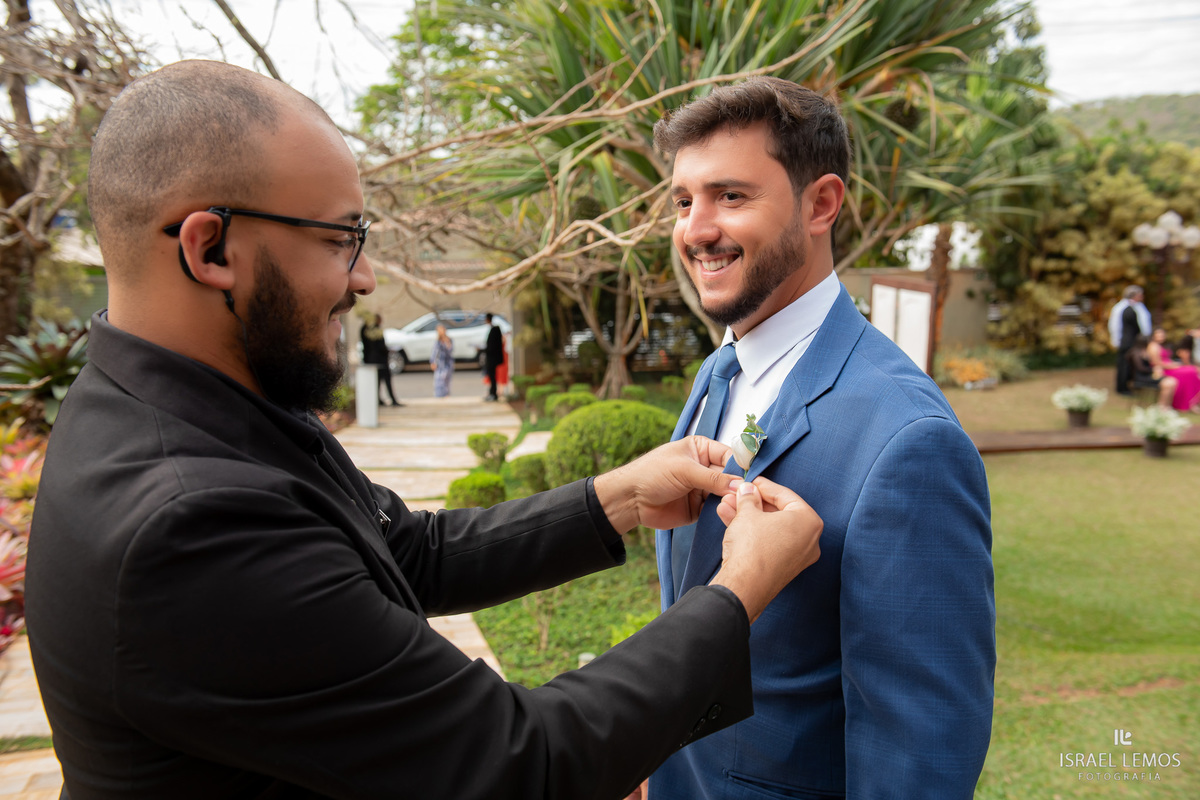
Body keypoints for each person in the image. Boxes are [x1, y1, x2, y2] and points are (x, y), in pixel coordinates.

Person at [25, 61, 827, 800]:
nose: (365, 279)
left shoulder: (187, 406)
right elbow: (523, 764)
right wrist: (737, 589)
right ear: (210, 248)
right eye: (341, 240)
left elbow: (406, 553)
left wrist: (614, 497)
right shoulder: (186, 521)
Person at [650, 77, 995, 800]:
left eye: (730, 196)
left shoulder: (910, 442)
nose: (696, 228)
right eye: (684, 200)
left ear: (821, 203)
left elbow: (920, 751)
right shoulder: (720, 371)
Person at [1108, 285, 1151, 395]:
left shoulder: (1138, 307)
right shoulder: (1122, 308)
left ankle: (1132, 383)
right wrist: (1116, 340)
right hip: (1126, 341)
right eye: (1140, 295)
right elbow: (1115, 326)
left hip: (1136, 342)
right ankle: (1122, 387)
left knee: (1133, 364)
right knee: (1124, 364)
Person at [1126, 334, 1178, 408]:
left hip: (1148, 376)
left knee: (1172, 381)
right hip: (1141, 378)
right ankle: (1161, 406)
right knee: (1168, 383)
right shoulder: (1135, 353)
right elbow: (1140, 368)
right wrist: (1153, 370)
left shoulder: (1144, 352)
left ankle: (1166, 405)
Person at [360, 312, 400, 406]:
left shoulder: (366, 330)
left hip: (372, 360)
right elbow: (379, 346)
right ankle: (391, 400)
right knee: (384, 380)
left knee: (377, 381)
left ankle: (379, 400)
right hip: (379, 360)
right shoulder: (373, 331)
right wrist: (388, 351)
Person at [430, 322, 455, 398]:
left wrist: (446, 341)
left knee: (446, 380)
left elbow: (450, 350)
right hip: (440, 363)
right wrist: (433, 362)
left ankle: (446, 394)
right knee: (439, 380)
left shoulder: (449, 340)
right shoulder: (437, 341)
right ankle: (439, 395)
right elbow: (434, 352)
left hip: (447, 363)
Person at [484, 312, 504, 401]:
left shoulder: (494, 330)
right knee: (492, 376)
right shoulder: (495, 330)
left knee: (492, 376)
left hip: (492, 358)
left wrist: (482, 350)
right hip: (493, 357)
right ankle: (492, 393)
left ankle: (493, 393)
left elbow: (492, 346)